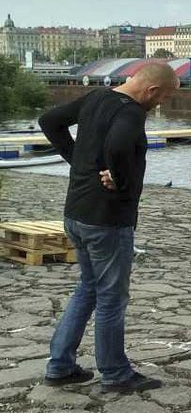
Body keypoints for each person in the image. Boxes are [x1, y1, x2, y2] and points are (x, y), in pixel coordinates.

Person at [39, 62, 179, 393]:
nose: (160, 104)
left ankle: (60, 364)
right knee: (111, 298)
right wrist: (123, 182)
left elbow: (49, 121)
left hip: (76, 213)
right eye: (163, 98)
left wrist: (79, 160)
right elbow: (117, 147)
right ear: (151, 91)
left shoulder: (95, 98)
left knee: (89, 287)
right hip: (107, 220)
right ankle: (115, 373)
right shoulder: (131, 112)